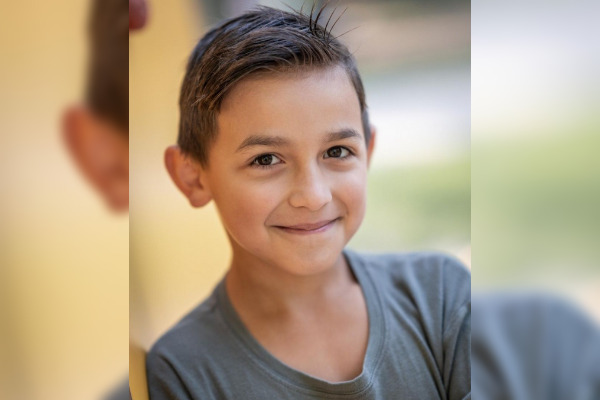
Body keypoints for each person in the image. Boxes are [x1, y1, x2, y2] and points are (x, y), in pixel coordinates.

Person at [146, 6, 470, 399]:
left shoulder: (440, 297)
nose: (314, 196)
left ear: (367, 152)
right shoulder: (183, 372)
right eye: (266, 159)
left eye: (336, 151)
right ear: (193, 177)